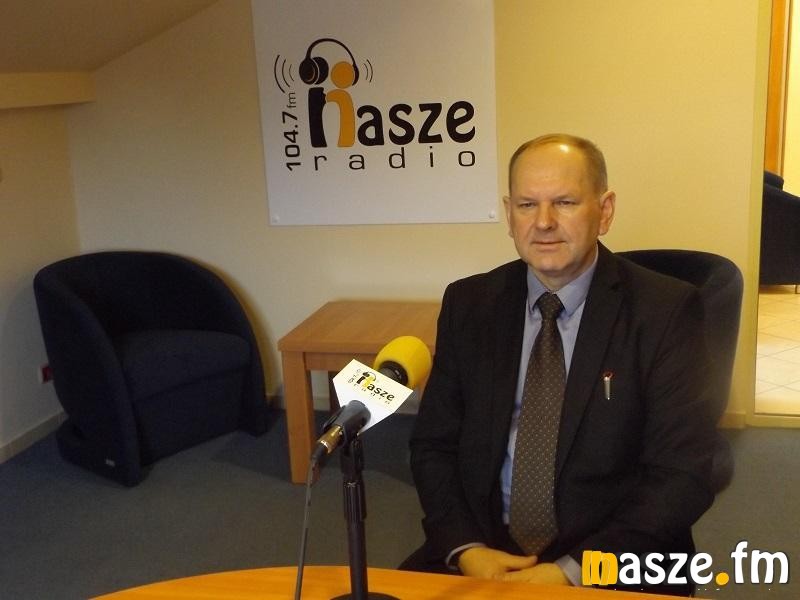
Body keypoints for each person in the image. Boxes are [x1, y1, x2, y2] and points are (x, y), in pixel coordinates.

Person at [401, 134, 716, 596]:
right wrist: (466, 548)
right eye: (527, 205)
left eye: (564, 202)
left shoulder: (665, 311)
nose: (544, 222)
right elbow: (434, 445)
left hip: (613, 554)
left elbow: (683, 473)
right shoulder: (469, 303)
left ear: (604, 211)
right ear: (509, 214)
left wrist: (573, 570)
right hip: (486, 550)